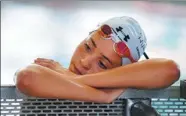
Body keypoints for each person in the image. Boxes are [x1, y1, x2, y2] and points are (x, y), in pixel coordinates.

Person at [15, 16, 180, 103]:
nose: (85, 62)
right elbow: (27, 78)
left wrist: (76, 78)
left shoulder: (61, 73)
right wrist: (101, 96)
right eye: (88, 47)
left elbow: (170, 70)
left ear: (123, 71)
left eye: (102, 63)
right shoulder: (50, 72)